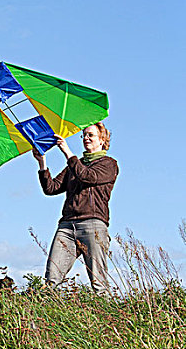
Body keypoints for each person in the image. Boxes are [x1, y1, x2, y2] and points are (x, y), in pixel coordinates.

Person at [32, 122, 118, 294]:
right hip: (67, 226)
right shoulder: (75, 165)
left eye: (90, 135)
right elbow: (51, 188)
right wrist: (42, 163)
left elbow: (87, 176)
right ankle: (47, 315)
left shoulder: (109, 164)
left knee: (98, 281)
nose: (86, 138)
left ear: (102, 140)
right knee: (52, 278)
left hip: (92, 224)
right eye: (84, 135)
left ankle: (106, 316)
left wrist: (67, 152)